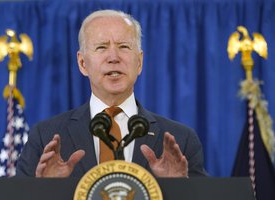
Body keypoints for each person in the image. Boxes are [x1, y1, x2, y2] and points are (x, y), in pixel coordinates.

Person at [16, 9, 207, 181]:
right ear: (83, 64)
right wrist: (45, 191)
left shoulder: (181, 140)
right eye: (101, 47)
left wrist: (179, 188)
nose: (113, 57)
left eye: (124, 46)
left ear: (139, 62)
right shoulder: (45, 137)